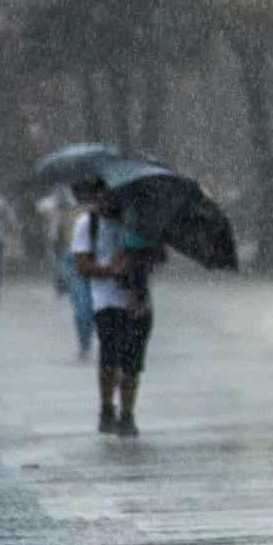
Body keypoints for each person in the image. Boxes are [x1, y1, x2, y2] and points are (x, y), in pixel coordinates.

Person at [71, 180, 164, 437]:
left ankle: (128, 414)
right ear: (97, 195)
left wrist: (144, 253)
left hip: (138, 300)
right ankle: (106, 408)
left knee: (133, 363)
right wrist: (111, 269)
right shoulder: (86, 225)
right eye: (103, 195)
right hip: (106, 302)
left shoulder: (138, 221)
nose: (108, 200)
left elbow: (159, 257)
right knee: (110, 358)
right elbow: (82, 266)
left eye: (113, 195)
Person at [40, 186, 96, 360]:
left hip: (81, 260)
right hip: (84, 260)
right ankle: (87, 342)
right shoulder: (95, 213)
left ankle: (85, 343)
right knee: (87, 304)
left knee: (84, 305)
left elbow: (56, 239)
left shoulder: (70, 214)